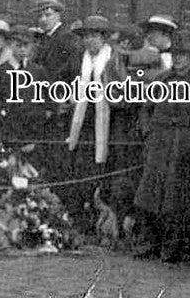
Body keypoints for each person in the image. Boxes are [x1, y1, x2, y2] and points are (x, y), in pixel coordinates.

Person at [133, 30, 190, 262]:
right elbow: (145, 109)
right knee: (150, 193)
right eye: (175, 54)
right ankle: (148, 242)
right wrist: (148, 133)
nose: (178, 59)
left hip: (183, 143)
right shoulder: (162, 80)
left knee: (175, 197)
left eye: (184, 54)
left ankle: (171, 247)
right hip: (159, 141)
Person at [64, 15, 124, 229]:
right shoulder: (80, 61)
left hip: (107, 124)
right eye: (86, 37)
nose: (90, 41)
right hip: (84, 124)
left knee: (102, 172)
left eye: (94, 36)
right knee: (81, 171)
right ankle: (83, 221)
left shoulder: (113, 59)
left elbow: (121, 92)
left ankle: (102, 222)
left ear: (103, 38)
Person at [31, 0, 79, 85]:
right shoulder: (42, 38)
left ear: (58, 15)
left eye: (48, 15)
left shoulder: (67, 38)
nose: (43, 19)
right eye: (40, 16)